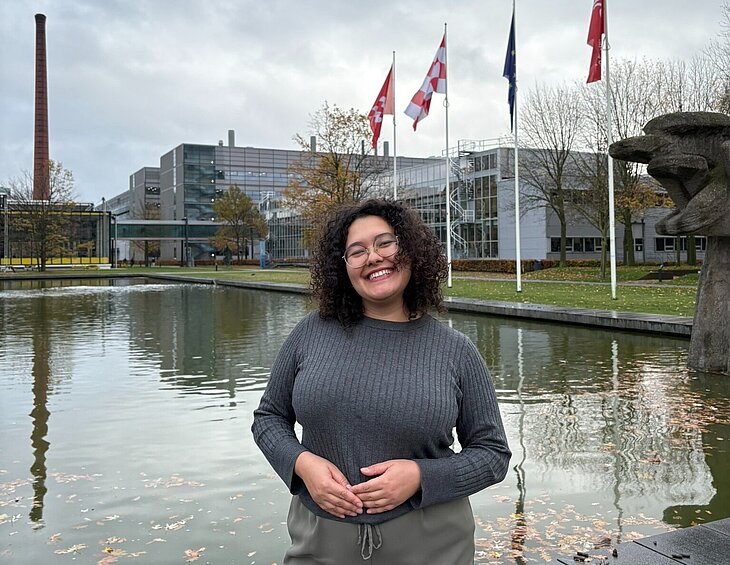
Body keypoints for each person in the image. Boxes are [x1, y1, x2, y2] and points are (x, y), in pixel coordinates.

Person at [252, 199, 510, 564]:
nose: (373, 258)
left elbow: (493, 454)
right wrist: (302, 464)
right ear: (342, 267)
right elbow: (268, 418)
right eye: (357, 251)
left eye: (385, 243)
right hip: (319, 543)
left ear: (411, 250)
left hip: (435, 547)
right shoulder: (310, 333)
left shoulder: (456, 351)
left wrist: (420, 476)